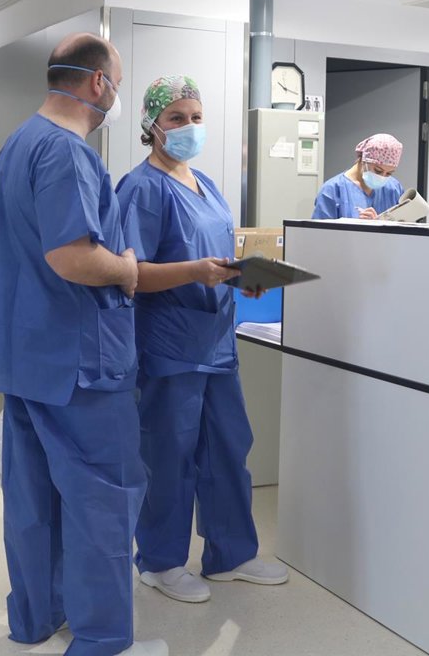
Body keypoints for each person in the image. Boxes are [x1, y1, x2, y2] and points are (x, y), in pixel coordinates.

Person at [0, 33, 166, 656]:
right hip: (79, 364)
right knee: (102, 501)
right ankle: (103, 639)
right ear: (98, 83)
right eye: (118, 83)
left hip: (27, 356)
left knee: (33, 498)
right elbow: (72, 257)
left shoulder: (19, 143)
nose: (117, 96)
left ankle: (35, 618)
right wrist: (128, 269)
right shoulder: (67, 152)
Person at [116, 75, 288, 606]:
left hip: (216, 341)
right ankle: (160, 562)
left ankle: (230, 554)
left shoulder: (206, 184)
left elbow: (214, 257)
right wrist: (195, 272)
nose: (189, 126)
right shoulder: (141, 188)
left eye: (195, 117)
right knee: (170, 454)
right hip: (169, 345)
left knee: (228, 447)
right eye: (176, 118)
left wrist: (241, 276)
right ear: (152, 126)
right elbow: (132, 274)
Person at [312, 134, 405, 219]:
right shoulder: (333, 190)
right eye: (378, 171)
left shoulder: (394, 189)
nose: (382, 177)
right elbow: (320, 231)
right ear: (363, 160)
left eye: (389, 173)